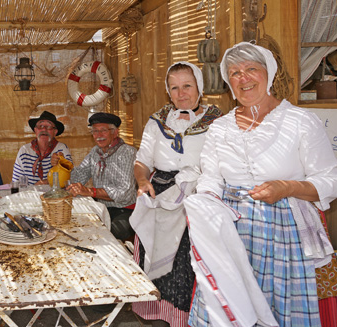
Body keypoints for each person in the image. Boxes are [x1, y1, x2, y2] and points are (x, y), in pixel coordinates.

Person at [187, 42, 337, 327]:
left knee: (277, 311)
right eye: (234, 72)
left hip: (283, 233)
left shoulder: (300, 121)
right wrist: (206, 201)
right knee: (228, 307)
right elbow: (210, 176)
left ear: (269, 73)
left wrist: (287, 187)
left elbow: (330, 179)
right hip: (230, 230)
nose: (243, 78)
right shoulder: (221, 127)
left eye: (251, 69)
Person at [130, 62, 222, 327]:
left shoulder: (217, 121)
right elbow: (142, 160)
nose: (181, 94)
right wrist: (142, 180)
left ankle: (190, 319)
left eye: (187, 86)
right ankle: (161, 317)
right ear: (168, 92)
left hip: (199, 196)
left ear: (200, 88)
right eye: (175, 88)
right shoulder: (157, 121)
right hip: (159, 194)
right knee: (155, 255)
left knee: (187, 263)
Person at [67, 112, 137, 241]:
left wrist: (90, 191)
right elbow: (78, 178)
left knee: (104, 235)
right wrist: (63, 166)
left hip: (125, 210)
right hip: (102, 207)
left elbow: (124, 193)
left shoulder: (127, 153)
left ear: (115, 132)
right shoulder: (95, 152)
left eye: (103, 131)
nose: (98, 135)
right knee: (76, 226)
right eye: (95, 131)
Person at [12, 111, 72, 185]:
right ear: (35, 130)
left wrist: (59, 165)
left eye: (49, 127)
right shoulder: (24, 151)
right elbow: (16, 183)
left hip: (55, 195)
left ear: (55, 132)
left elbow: (69, 178)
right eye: (40, 126)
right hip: (30, 195)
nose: (44, 130)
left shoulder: (62, 149)